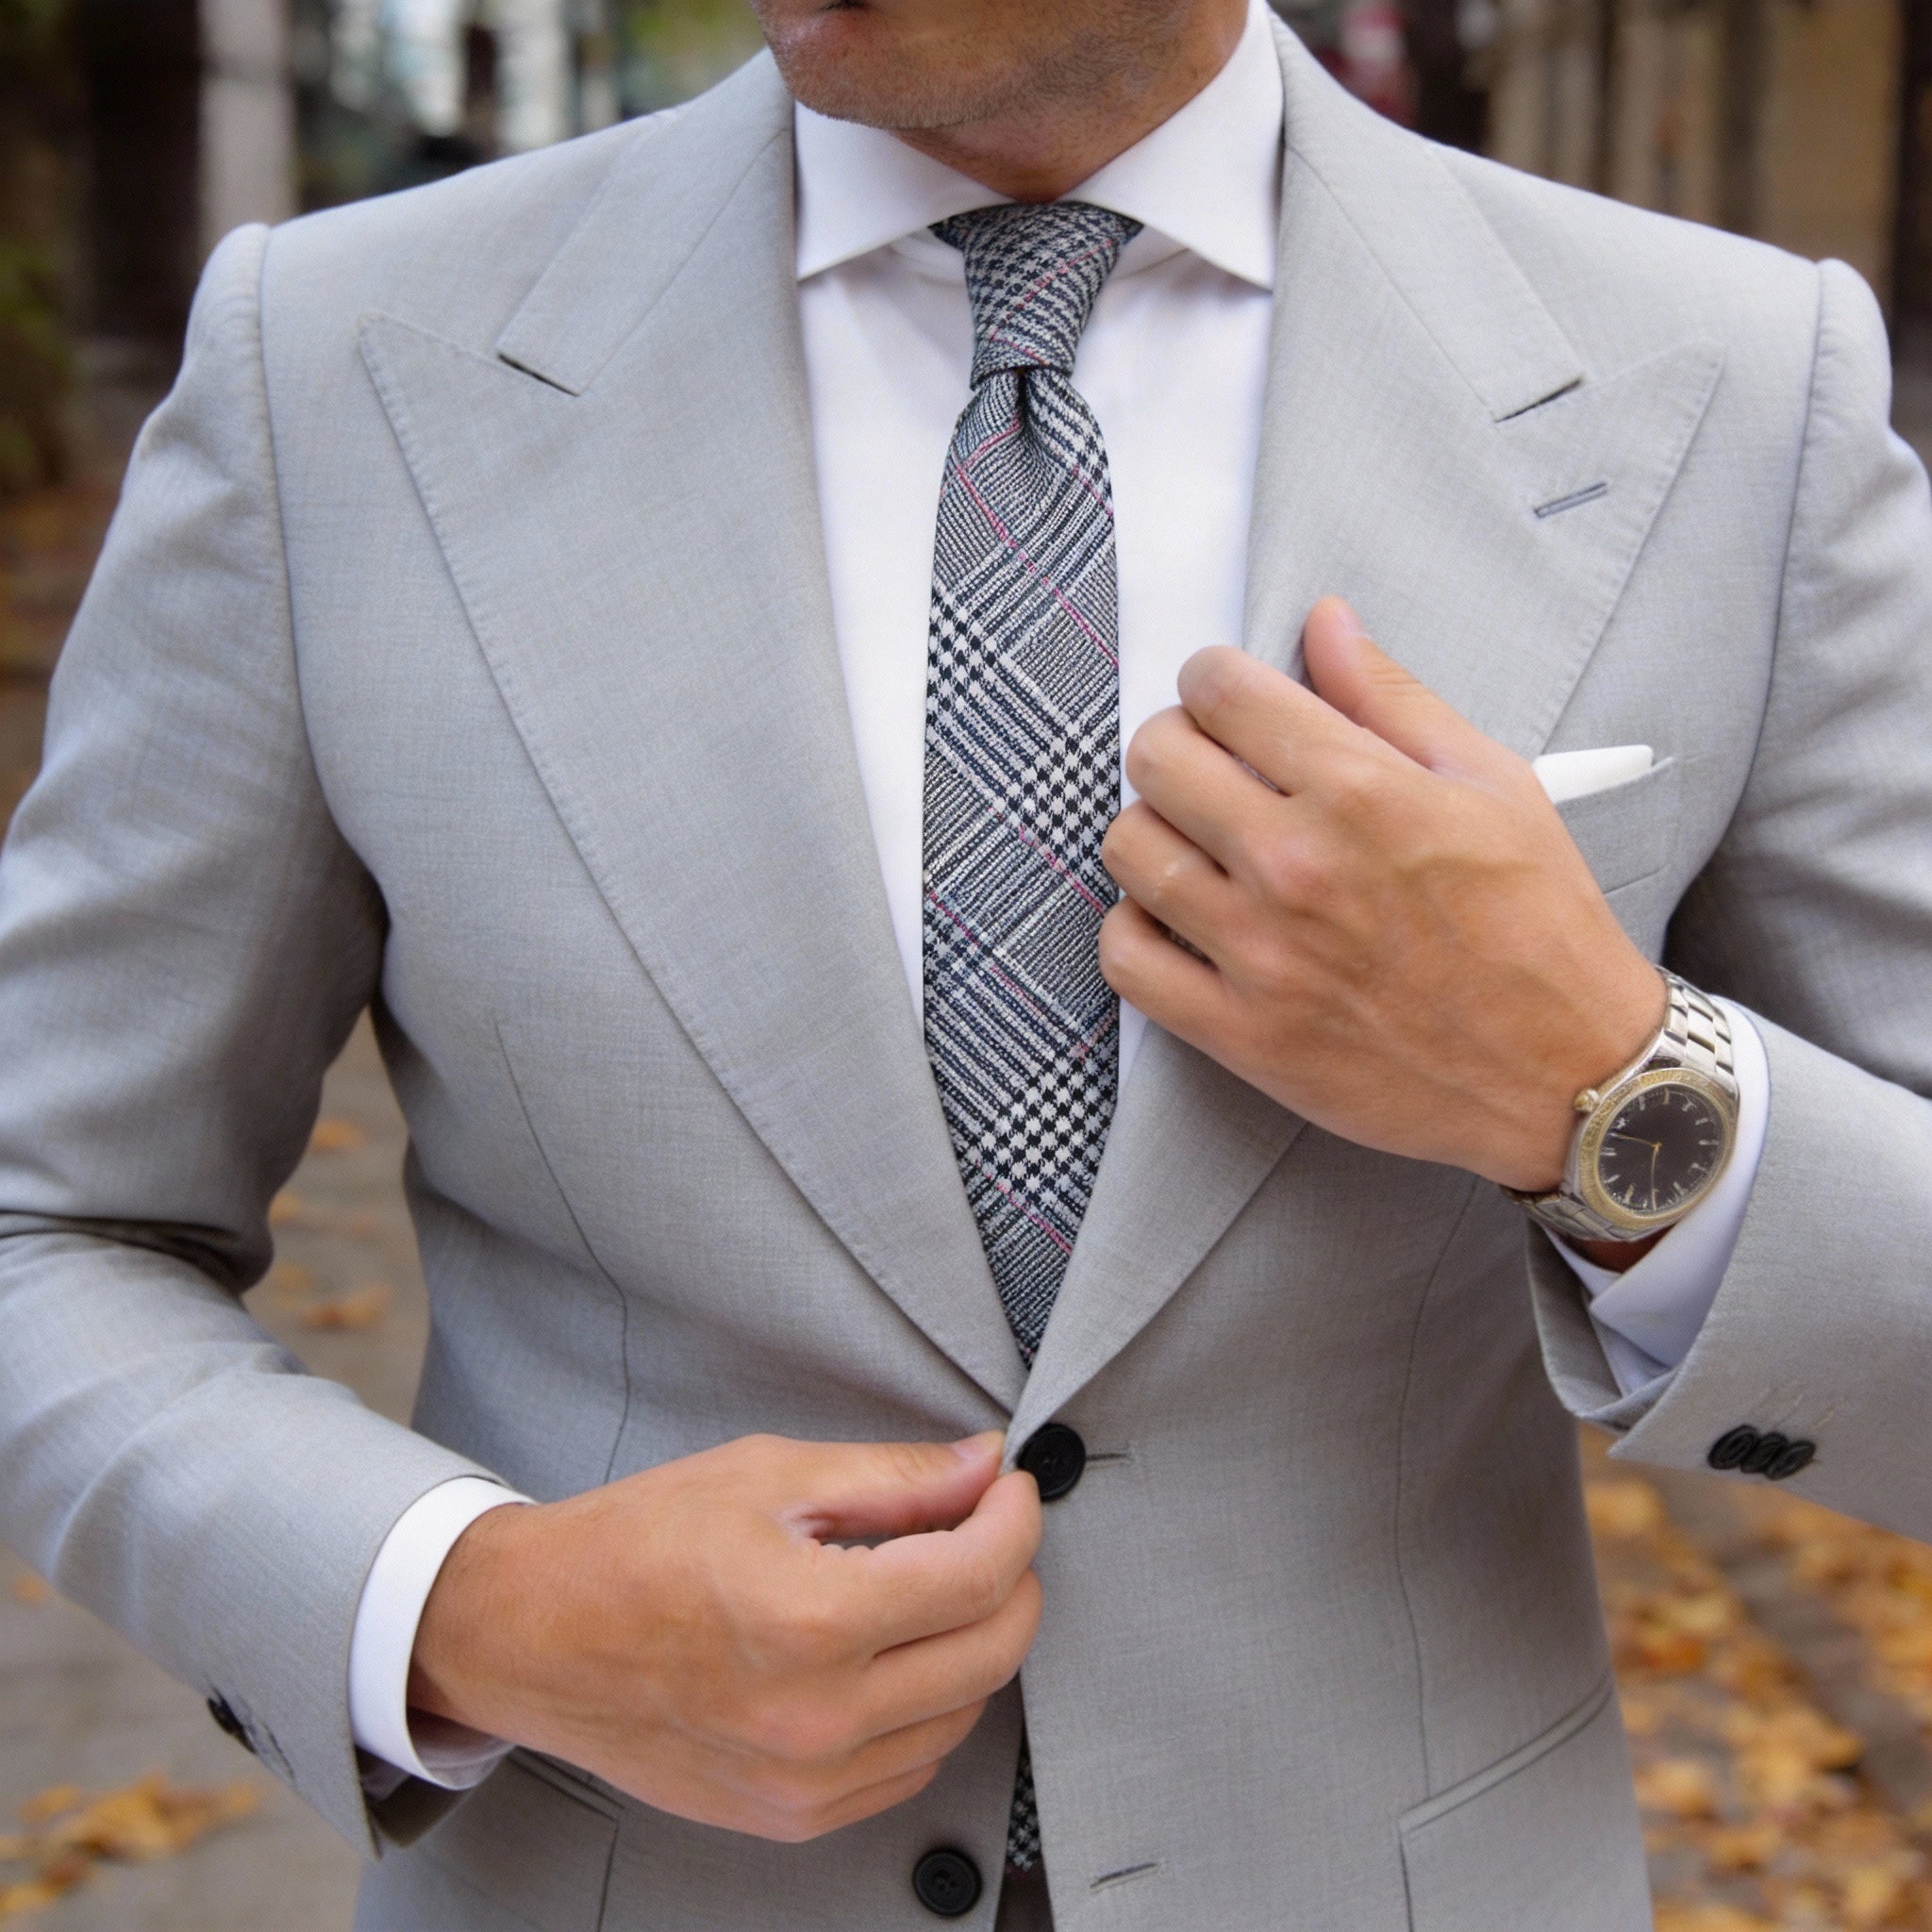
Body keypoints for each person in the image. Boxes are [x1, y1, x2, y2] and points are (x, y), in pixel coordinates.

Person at [2, 0, 1929, 1922]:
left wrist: (1602, 1085)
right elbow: (48, 1223)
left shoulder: (1733, 390)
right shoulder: (328, 366)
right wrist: (466, 1605)